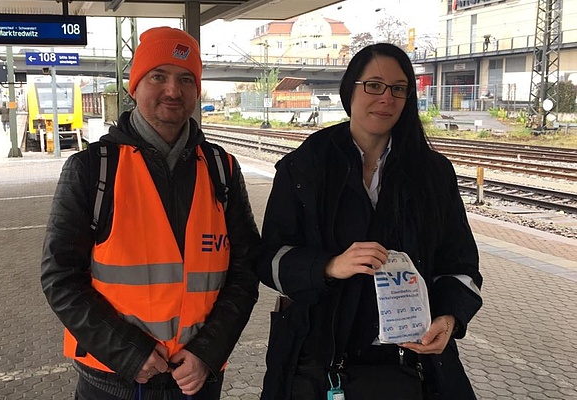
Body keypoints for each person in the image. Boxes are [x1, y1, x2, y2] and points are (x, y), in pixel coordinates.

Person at [41, 26, 260, 400]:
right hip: (114, 381)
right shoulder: (92, 169)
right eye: (158, 76)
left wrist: (207, 352)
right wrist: (130, 352)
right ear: (135, 86)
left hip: (196, 379)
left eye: (186, 79)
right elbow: (60, 277)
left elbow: (245, 271)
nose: (173, 91)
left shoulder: (223, 169)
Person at [255, 43, 483, 399]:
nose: (386, 98)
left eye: (398, 88)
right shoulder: (305, 166)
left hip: (411, 367)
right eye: (374, 85)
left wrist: (450, 319)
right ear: (350, 90)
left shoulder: (433, 174)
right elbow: (269, 259)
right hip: (317, 366)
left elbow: (461, 264)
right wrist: (329, 265)